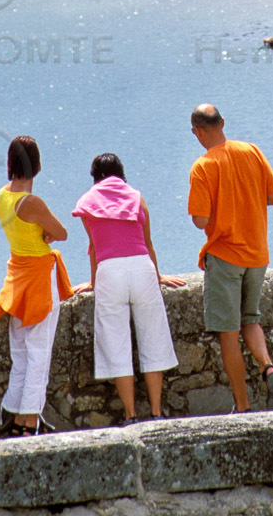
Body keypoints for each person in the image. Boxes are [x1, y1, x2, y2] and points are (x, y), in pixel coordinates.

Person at [187, 105, 273, 412]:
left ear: (197, 132)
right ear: (223, 123)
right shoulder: (252, 151)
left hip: (225, 255)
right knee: (251, 319)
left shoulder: (202, 167)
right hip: (257, 253)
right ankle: (268, 366)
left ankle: (243, 406)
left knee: (228, 334)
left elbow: (201, 220)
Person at [71, 154, 185, 423]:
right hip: (142, 268)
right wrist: (157, 275)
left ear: (95, 176)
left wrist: (93, 282)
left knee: (116, 343)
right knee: (153, 339)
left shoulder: (87, 201)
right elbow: (148, 242)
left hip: (109, 271)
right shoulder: (136, 197)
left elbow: (94, 249)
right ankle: (156, 413)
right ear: (121, 173)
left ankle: (131, 415)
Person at [0, 135, 72, 437]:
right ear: (37, 165)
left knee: (20, 353)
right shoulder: (31, 202)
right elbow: (61, 232)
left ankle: (11, 414)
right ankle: (29, 420)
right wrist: (48, 234)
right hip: (39, 281)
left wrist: (44, 233)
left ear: (9, 163)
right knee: (39, 352)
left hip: (16, 278)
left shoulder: (2, 197)